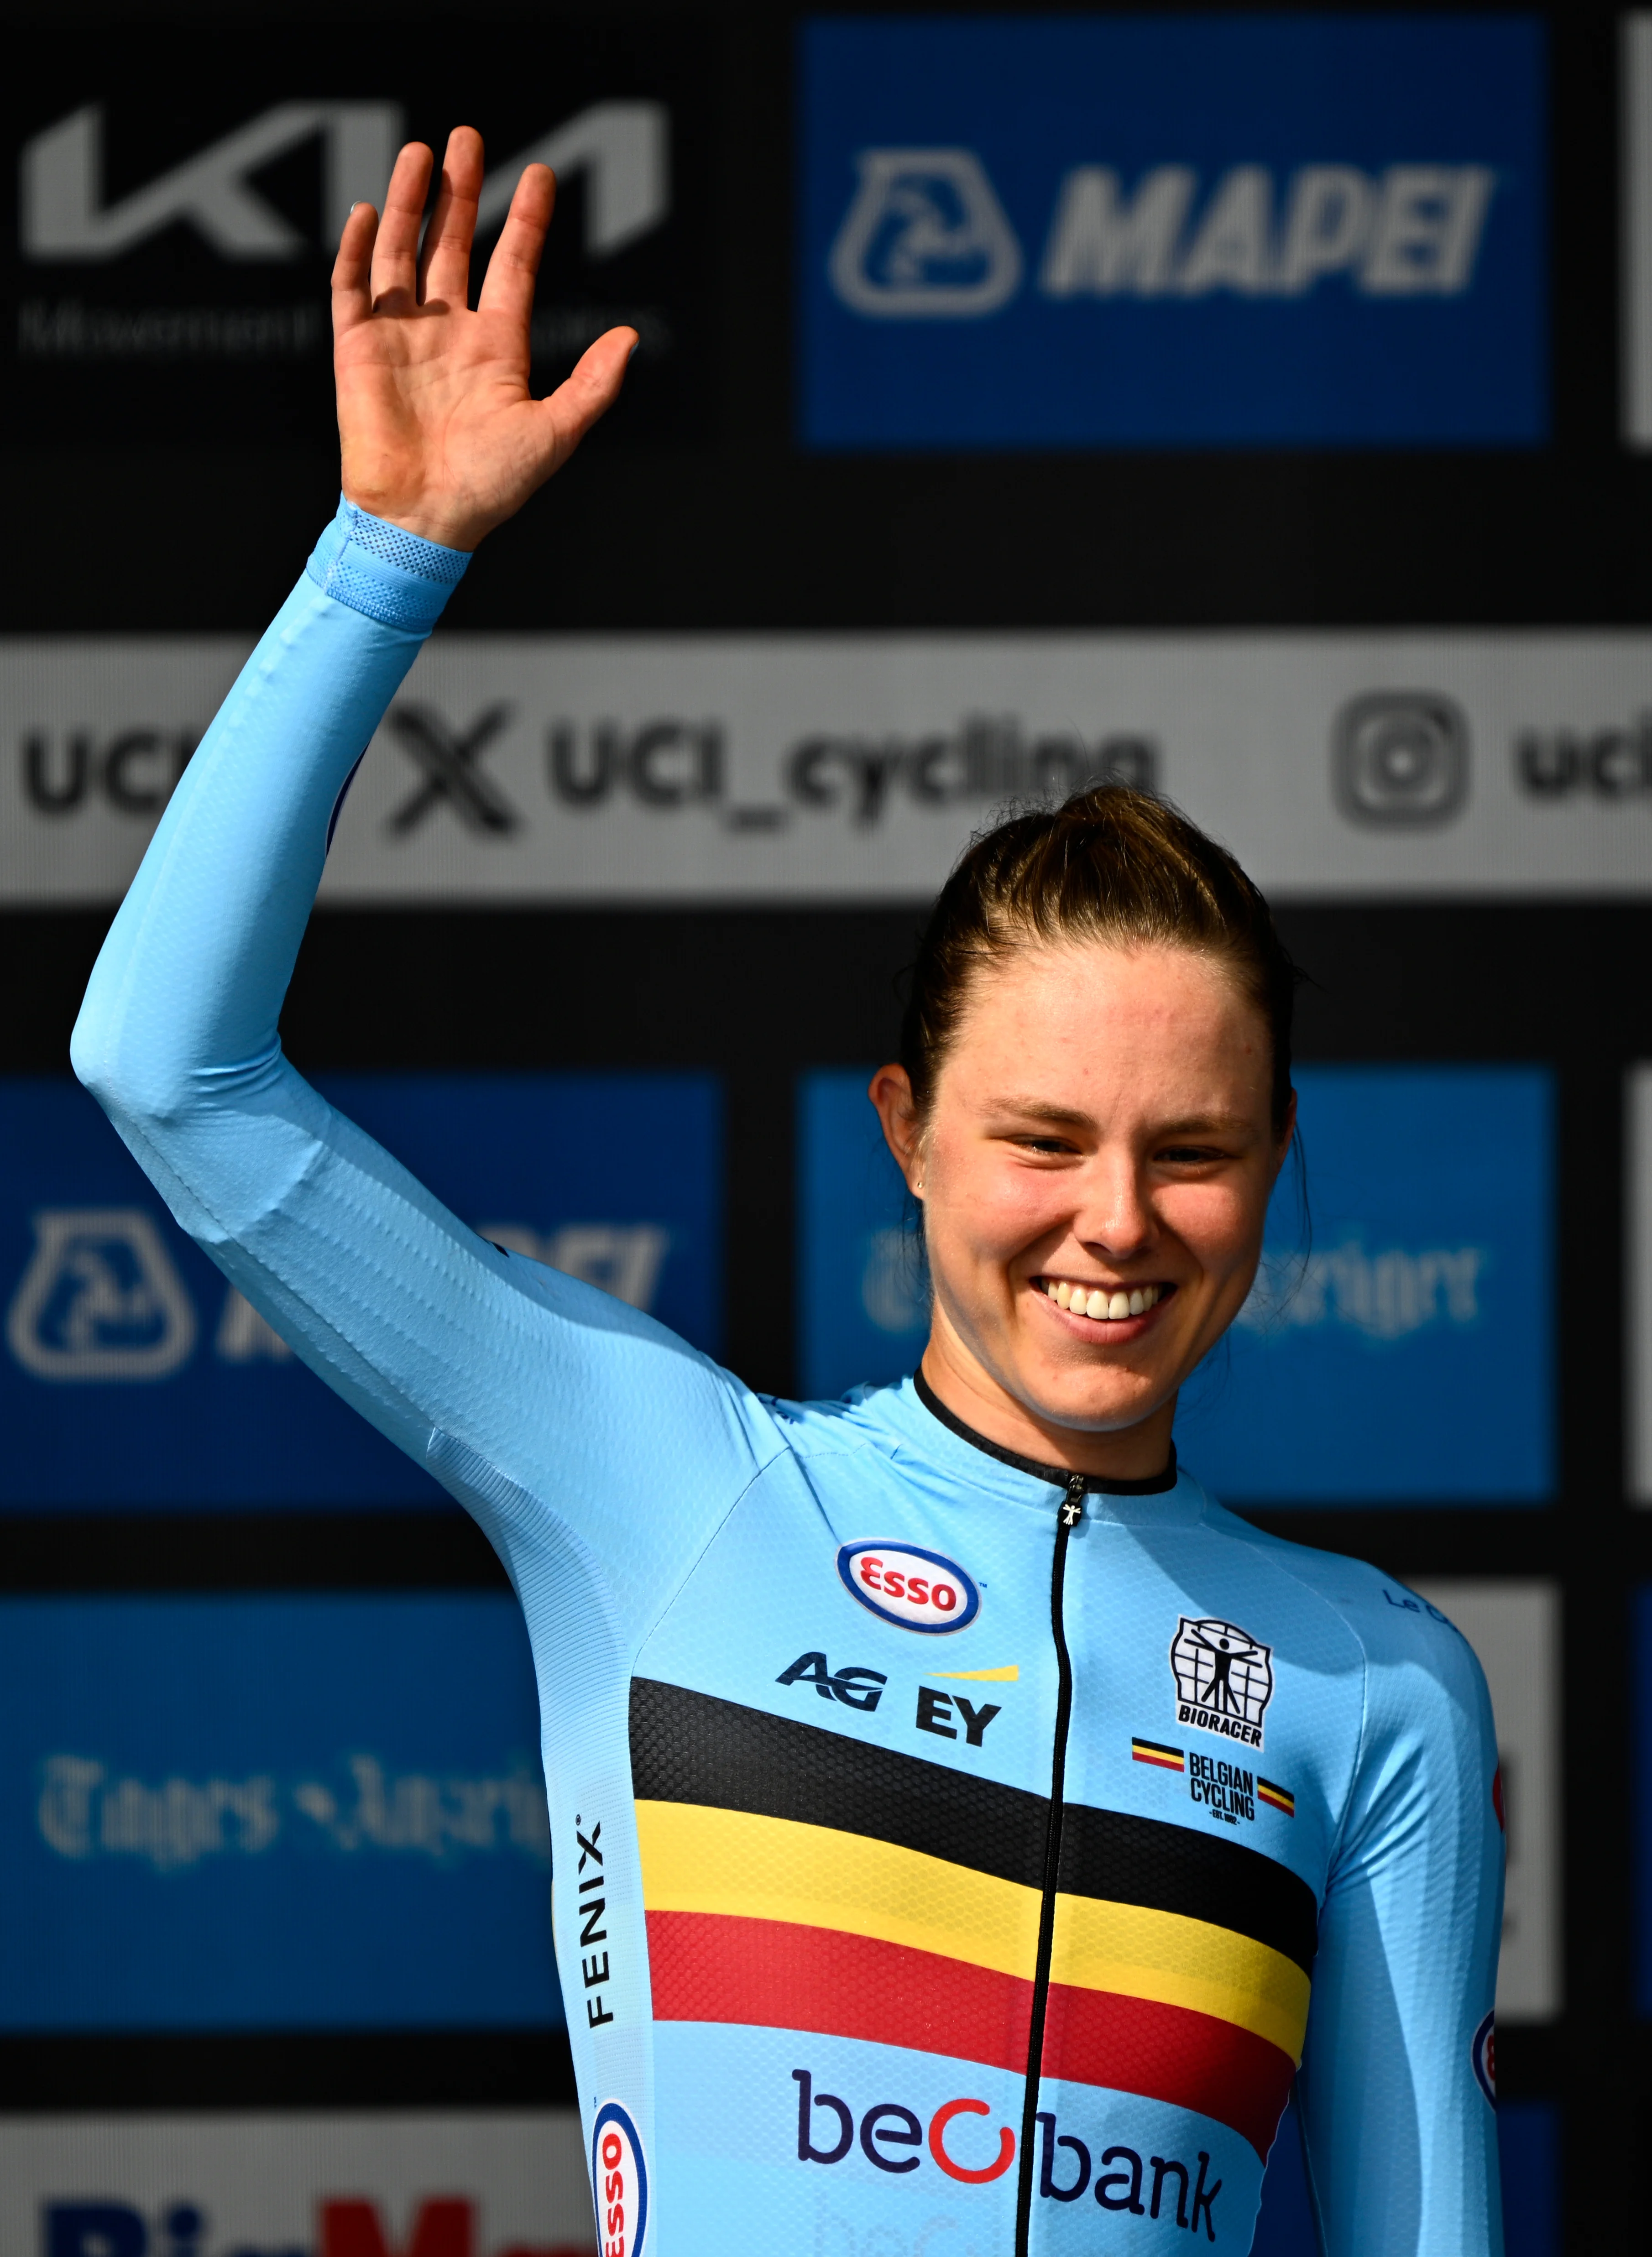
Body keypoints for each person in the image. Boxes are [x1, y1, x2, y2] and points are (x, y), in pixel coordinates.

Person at [72, 128, 1505, 2257]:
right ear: (904, 1129)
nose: (1113, 1219)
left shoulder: (1371, 1679)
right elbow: (167, 1069)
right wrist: (385, 554)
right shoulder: (665, 1481)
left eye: (1187, 1151)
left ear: (1271, 1170)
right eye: (1038, 1140)